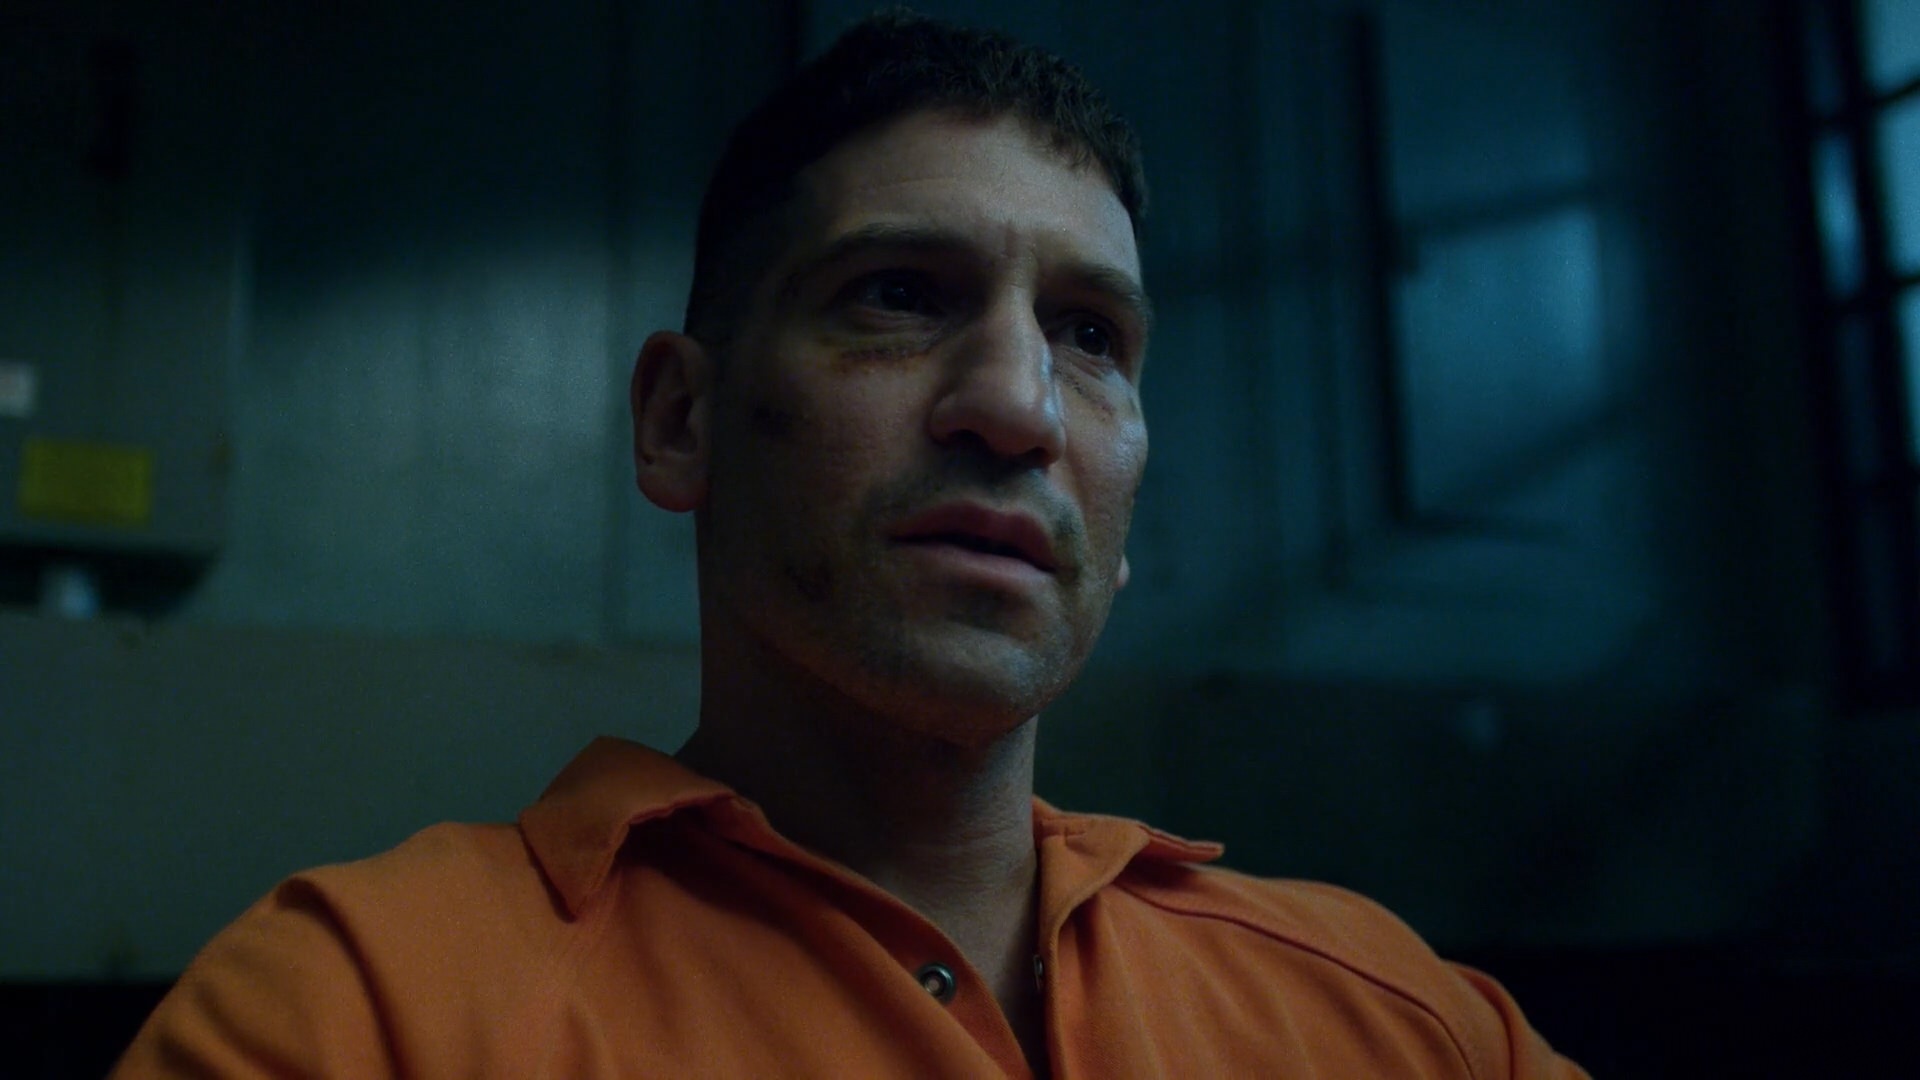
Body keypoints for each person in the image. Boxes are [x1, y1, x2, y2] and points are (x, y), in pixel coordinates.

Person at [114, 11, 1586, 1078]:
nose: (1019, 407)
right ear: (681, 421)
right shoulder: (352, 1016)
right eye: (898, 294)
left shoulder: (1403, 1023)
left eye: (1090, 335)